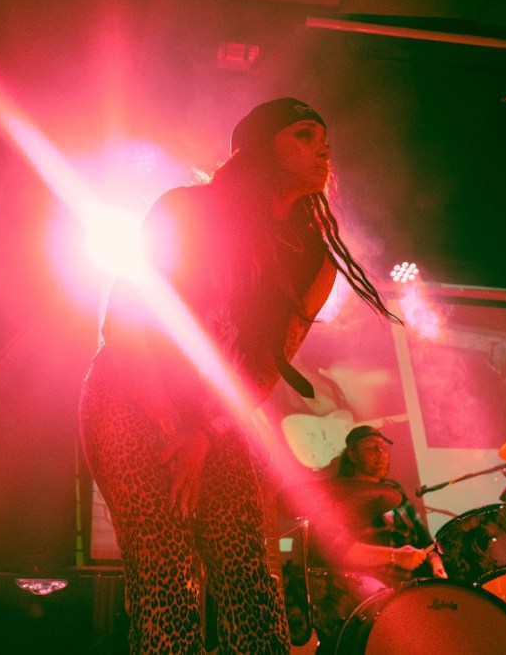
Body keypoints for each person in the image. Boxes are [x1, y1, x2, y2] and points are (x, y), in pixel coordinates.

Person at [78, 97, 403, 654]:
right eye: (304, 134)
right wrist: (167, 421)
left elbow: (264, 366)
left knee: (251, 576)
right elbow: (124, 323)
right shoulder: (185, 209)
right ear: (259, 149)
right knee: (167, 573)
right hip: (130, 393)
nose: (324, 148)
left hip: (212, 418)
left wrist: (204, 434)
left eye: (324, 137)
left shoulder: (314, 256)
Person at [285, 425, 445, 654]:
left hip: (405, 589)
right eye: (372, 448)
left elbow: (425, 542)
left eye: (384, 449)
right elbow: (337, 550)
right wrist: (394, 557)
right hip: (358, 592)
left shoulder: (395, 493)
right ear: (352, 454)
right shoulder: (335, 492)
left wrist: (435, 561)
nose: (381, 454)